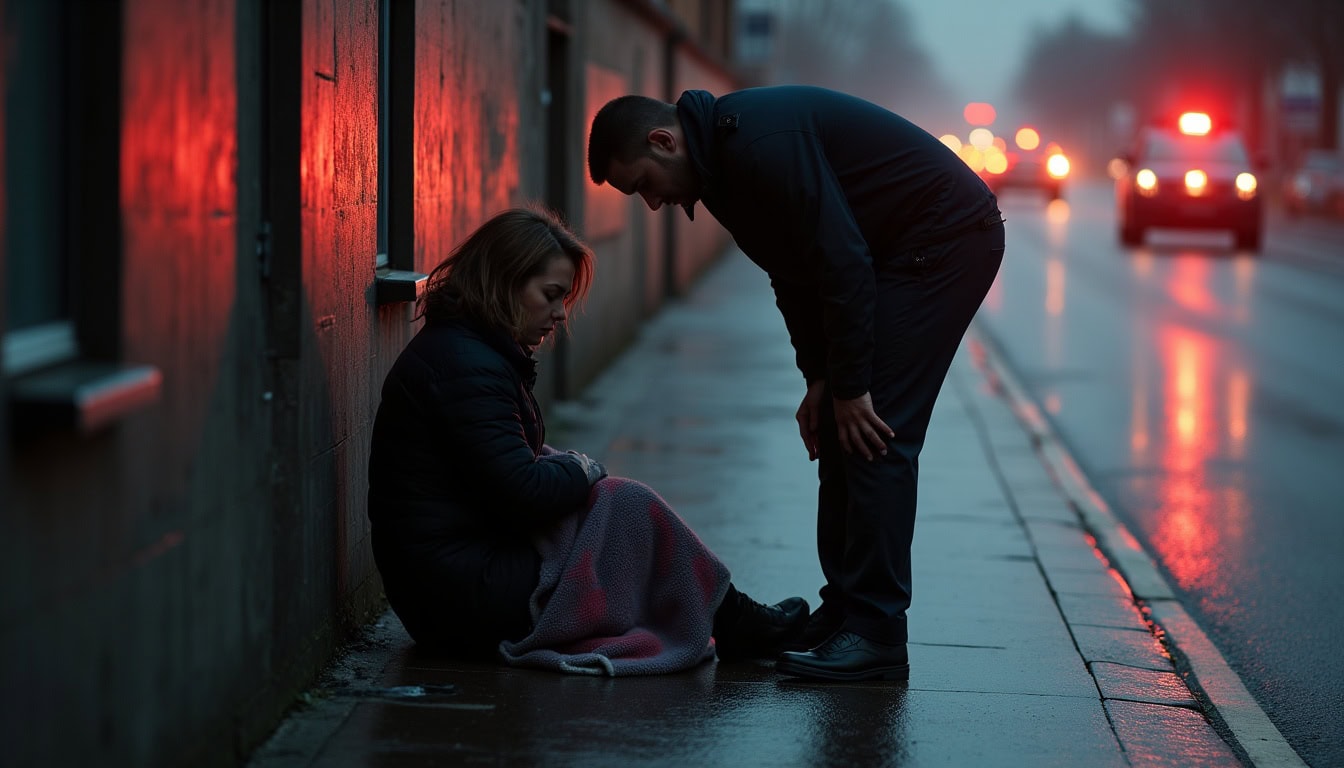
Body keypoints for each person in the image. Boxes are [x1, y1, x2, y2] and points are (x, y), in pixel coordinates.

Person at [588, 85, 1005, 681]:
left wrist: (852, 386)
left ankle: (877, 634)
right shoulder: (720, 169)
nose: (652, 203)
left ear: (664, 140)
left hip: (944, 240)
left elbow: (841, 260)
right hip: (886, 251)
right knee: (843, 424)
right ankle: (845, 616)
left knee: (873, 430)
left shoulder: (759, 145)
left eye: (645, 185)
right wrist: (819, 378)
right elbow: (791, 272)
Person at [366, 206, 808, 672]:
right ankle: (738, 621)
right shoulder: (465, 365)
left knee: (615, 511)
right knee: (624, 504)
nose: (559, 314)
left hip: (459, 580)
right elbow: (524, 493)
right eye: (551, 295)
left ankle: (734, 617)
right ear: (503, 282)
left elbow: (509, 471)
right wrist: (579, 467)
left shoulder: (470, 351)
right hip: (458, 597)